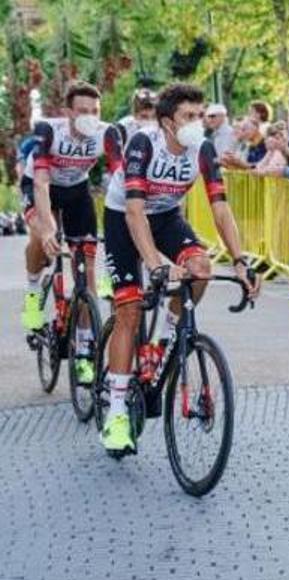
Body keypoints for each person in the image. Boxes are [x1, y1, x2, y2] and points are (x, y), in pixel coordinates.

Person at [100, 83, 259, 454]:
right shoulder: (144, 143)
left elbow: (220, 208)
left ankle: (165, 341)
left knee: (200, 267)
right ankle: (118, 414)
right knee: (129, 312)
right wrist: (155, 266)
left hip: (167, 217)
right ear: (168, 123)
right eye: (189, 116)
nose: (197, 123)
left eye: (200, 115)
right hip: (124, 217)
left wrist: (240, 261)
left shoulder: (202, 148)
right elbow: (135, 212)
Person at [20, 81, 123, 390]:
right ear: (67, 112)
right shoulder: (48, 130)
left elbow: (120, 177)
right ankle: (33, 293)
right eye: (82, 111)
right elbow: (40, 183)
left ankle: (84, 348)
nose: (89, 116)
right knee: (42, 239)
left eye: (95, 111)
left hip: (77, 192)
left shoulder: (108, 133)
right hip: (42, 187)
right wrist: (48, 225)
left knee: (87, 270)